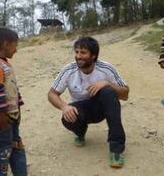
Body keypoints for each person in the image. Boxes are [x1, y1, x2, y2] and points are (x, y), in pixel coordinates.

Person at [47, 36, 130, 168]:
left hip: (101, 109)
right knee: (67, 117)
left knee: (108, 91)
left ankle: (116, 149)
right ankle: (80, 132)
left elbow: (125, 94)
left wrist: (107, 83)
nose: (78, 56)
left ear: (93, 55)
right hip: (81, 110)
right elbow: (52, 93)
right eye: (77, 52)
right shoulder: (69, 70)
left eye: (83, 52)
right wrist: (64, 107)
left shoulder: (106, 68)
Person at [0, 27, 27, 176]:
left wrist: (19, 107)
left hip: (13, 117)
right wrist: (2, 115)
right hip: (2, 119)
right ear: (5, 44)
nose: (15, 50)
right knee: (0, 152)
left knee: (16, 147)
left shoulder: (6, 65)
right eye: (14, 46)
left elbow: (13, 89)